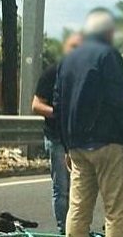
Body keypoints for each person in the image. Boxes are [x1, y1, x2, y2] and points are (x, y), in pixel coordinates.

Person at [55, 8, 123, 237]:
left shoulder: (68, 60)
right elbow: (119, 100)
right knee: (115, 211)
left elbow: (59, 105)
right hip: (109, 143)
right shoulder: (108, 55)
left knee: (78, 209)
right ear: (108, 32)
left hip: (77, 146)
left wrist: (67, 145)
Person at [31, 32, 82, 233]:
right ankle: (64, 230)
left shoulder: (85, 76)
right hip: (57, 137)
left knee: (78, 189)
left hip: (78, 139)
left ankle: (76, 228)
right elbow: (36, 105)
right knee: (62, 188)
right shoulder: (53, 73)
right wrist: (59, 113)